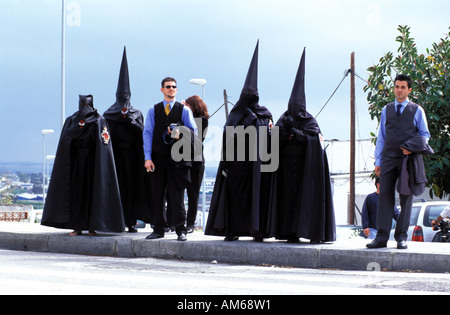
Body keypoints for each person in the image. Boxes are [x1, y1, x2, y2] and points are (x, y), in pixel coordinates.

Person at [205, 41, 274, 242]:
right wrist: (246, 124)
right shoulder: (236, 114)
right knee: (235, 197)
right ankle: (232, 229)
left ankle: (256, 230)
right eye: (247, 95)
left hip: (258, 163)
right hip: (237, 164)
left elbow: (269, 136)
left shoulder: (264, 113)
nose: (250, 98)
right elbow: (229, 135)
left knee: (257, 196)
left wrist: (257, 122)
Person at [272, 48, 335, 244]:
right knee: (287, 202)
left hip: (305, 170)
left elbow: (313, 140)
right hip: (285, 169)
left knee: (304, 201)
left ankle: (306, 231)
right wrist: (288, 134)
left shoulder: (310, 121)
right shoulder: (284, 118)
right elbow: (276, 137)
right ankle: (288, 232)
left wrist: (295, 133)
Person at [42, 95, 125, 235]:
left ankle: (93, 227)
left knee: (94, 195)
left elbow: (104, 143)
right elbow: (66, 140)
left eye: (87, 105)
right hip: (76, 164)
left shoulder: (99, 121)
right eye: (82, 104)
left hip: (94, 165)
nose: (85, 108)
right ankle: (77, 227)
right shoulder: (72, 120)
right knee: (76, 195)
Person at [367, 74, 431, 249]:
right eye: (397, 86)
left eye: (403, 87)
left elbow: (425, 136)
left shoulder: (417, 110)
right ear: (393, 88)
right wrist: (378, 161)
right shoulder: (386, 109)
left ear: (409, 89)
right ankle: (381, 237)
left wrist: (412, 148)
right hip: (387, 159)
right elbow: (381, 137)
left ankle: (401, 237)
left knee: (406, 199)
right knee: (384, 197)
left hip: (407, 161)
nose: (399, 90)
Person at [143, 77, 198, 241]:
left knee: (177, 195)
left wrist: (180, 132)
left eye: (174, 87)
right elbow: (147, 134)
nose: (171, 89)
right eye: (168, 87)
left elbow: (193, 132)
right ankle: (158, 228)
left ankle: (180, 229)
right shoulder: (153, 110)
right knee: (157, 194)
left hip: (178, 159)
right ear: (162, 89)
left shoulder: (184, 110)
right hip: (158, 158)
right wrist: (147, 157)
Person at [104, 47, 149, 233]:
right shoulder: (109, 113)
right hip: (115, 157)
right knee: (116, 189)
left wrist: (130, 121)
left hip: (132, 158)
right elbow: (105, 135)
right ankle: (115, 220)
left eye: (126, 95)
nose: (123, 98)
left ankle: (131, 221)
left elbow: (142, 133)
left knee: (131, 190)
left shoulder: (136, 113)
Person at [183, 95, 209, 233]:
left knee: (193, 193)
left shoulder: (202, 121)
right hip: (183, 158)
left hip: (197, 161)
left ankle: (190, 224)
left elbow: (196, 137)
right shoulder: (184, 118)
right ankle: (178, 221)